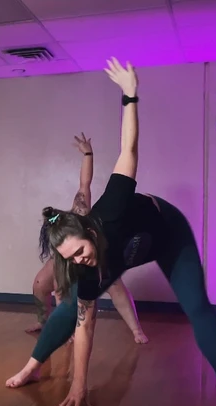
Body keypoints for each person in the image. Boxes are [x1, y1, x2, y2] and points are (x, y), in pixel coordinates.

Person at [5, 57, 216, 406]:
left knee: (196, 307)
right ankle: (32, 365)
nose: (79, 260)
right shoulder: (80, 266)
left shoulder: (112, 208)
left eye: (80, 251)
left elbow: (128, 150)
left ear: (90, 230)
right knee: (71, 307)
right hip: (126, 252)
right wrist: (78, 384)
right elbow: (86, 325)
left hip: (166, 234)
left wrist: (130, 96)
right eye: (69, 258)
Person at [25, 133, 148, 346]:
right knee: (39, 284)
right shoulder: (59, 249)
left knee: (115, 285)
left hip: (96, 255)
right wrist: (65, 327)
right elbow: (61, 291)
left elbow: (85, 183)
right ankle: (45, 323)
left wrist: (88, 153)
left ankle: (136, 330)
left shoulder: (81, 212)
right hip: (66, 265)